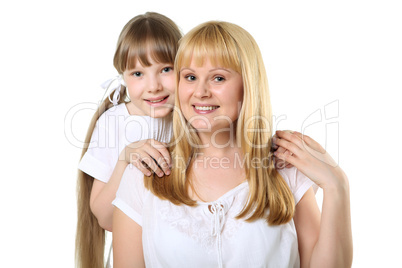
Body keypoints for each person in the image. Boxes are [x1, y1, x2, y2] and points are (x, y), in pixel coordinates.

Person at [112, 20, 353, 268]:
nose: (201, 91)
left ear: (247, 85)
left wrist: (337, 187)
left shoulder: (287, 170)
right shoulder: (143, 175)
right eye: (190, 77)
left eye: (218, 78)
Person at [75, 12, 182, 268]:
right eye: (138, 73)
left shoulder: (192, 117)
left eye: (166, 69)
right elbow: (105, 218)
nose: (153, 85)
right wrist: (125, 159)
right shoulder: (114, 123)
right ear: (122, 75)